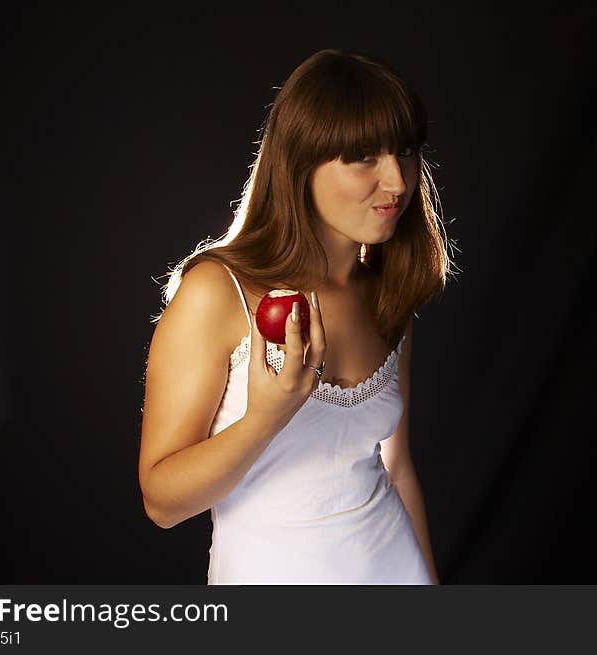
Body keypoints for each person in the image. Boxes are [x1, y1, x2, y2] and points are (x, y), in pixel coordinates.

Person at [138, 48, 455, 584]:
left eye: (404, 151)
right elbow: (162, 503)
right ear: (301, 163)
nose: (399, 182)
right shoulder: (219, 293)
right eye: (363, 157)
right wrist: (266, 416)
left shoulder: (387, 292)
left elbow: (397, 469)